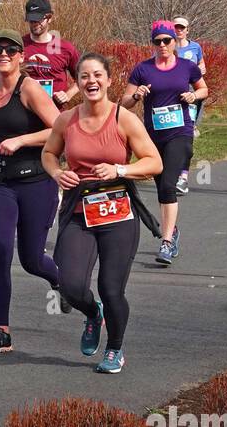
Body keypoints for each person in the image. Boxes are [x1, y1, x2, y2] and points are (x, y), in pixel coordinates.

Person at [41, 54, 163, 373]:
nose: (91, 81)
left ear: (109, 80)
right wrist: (56, 174)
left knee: (112, 288)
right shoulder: (66, 120)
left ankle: (114, 349)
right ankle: (94, 314)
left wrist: (120, 168)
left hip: (118, 212)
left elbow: (154, 161)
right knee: (70, 285)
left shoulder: (124, 119)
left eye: (97, 75)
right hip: (79, 210)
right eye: (84, 76)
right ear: (78, 83)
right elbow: (49, 154)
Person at [0, 30, 62, 354]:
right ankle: (1, 332)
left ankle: (61, 281)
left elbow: (58, 128)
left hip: (34, 182)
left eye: (10, 50)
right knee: (0, 251)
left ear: (21, 56)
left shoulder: (30, 89)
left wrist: (21, 141)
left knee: (32, 260)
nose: (3, 54)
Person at [121, 20, 208, 263]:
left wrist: (193, 95)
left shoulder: (187, 67)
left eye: (166, 40)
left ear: (174, 42)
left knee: (169, 185)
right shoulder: (142, 69)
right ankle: (173, 230)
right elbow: (124, 102)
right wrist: (137, 96)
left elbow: (204, 90)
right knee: (162, 188)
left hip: (180, 132)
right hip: (153, 135)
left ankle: (166, 242)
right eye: (157, 41)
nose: (162, 45)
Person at [22, 0, 81, 109]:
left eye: (38, 19)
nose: (34, 23)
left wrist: (67, 94)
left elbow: (82, 77)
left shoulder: (65, 48)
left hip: (56, 113)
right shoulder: (19, 46)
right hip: (25, 114)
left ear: (49, 18)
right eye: (31, 20)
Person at [172, 16, 205, 193]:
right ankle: (171, 172)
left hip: (192, 96)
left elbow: (201, 65)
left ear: (187, 30)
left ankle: (183, 177)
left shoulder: (195, 47)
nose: (179, 30)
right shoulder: (166, 46)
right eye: (176, 27)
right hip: (172, 98)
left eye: (182, 28)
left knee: (187, 136)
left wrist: (200, 71)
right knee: (172, 135)